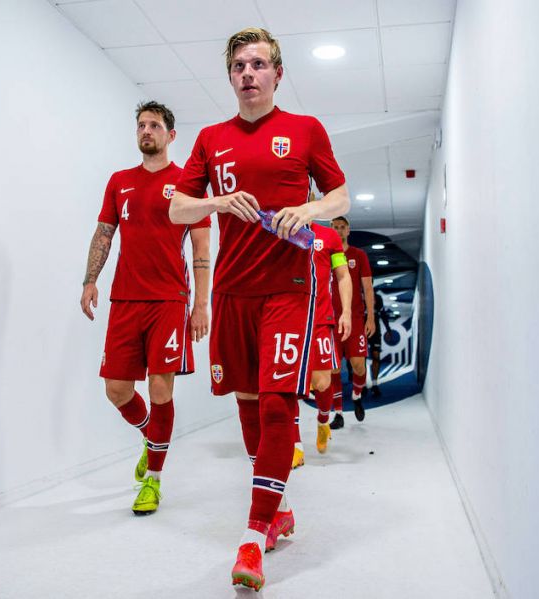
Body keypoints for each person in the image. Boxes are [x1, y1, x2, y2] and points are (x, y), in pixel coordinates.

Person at [169, 27, 349, 592]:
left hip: (289, 287)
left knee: (276, 402)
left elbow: (340, 195)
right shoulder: (210, 138)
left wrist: (309, 208)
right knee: (248, 404)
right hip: (232, 291)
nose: (249, 73)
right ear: (230, 76)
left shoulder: (303, 130)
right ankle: (280, 506)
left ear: (277, 73)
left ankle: (252, 535)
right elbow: (176, 209)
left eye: (259, 64)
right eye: (240, 66)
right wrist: (217, 201)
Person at [80, 101, 211, 516]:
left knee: (159, 389)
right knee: (116, 390)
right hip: (124, 300)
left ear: (171, 135)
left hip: (169, 301)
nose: (146, 130)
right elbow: (104, 233)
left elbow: (202, 250)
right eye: (141, 125)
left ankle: (152, 480)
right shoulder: (119, 181)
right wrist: (89, 280)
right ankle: (150, 434)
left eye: (154, 125)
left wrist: (201, 305)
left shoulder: (188, 186)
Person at [305, 221, 352, 456]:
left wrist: (347, 311)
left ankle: (323, 421)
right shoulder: (278, 230)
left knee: (322, 382)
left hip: (321, 319)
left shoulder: (329, 237)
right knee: (287, 385)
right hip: (287, 318)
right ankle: (294, 445)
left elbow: (342, 275)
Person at [329, 216, 374, 428]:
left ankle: (356, 396)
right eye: (335, 227)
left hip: (355, 320)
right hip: (330, 322)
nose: (338, 230)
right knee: (334, 368)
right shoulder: (326, 254)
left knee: (358, 365)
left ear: (348, 230)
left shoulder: (358, 255)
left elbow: (367, 288)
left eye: (342, 227)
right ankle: (338, 413)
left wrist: (370, 317)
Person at [368, 290, 393, 396]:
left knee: (376, 357)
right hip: (361, 330)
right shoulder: (358, 296)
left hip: (375, 331)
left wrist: (388, 329)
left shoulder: (377, 298)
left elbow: (383, 314)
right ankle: (360, 385)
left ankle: (375, 384)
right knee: (359, 358)